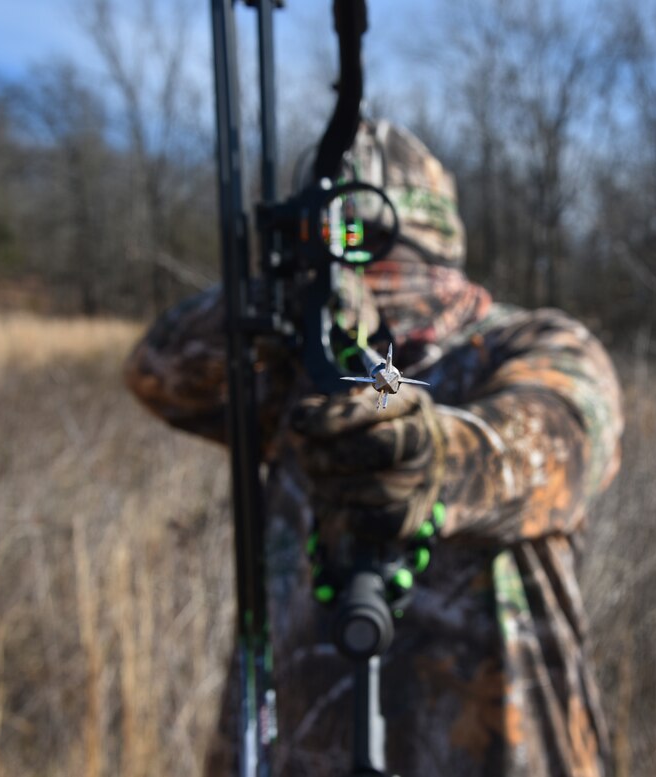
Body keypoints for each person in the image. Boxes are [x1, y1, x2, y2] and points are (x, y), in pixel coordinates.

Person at [124, 119, 623, 777]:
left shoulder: (528, 345)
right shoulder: (295, 365)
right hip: (300, 747)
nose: (387, 293)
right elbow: (159, 367)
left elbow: (552, 440)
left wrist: (430, 457)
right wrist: (292, 297)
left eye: (391, 264)